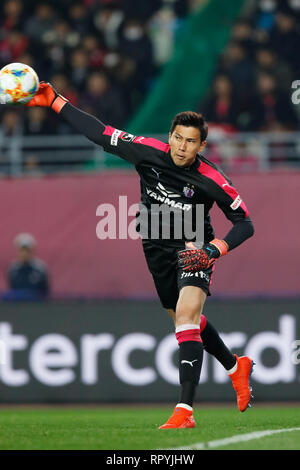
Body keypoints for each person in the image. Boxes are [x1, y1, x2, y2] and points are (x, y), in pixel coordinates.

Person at [24, 82, 255, 429]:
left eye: (191, 141)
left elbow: (244, 223)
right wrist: (55, 102)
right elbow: (100, 134)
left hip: (194, 250)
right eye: (178, 137)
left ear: (202, 146)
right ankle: (236, 367)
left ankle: (184, 411)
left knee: (188, 318)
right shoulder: (146, 151)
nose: (182, 146)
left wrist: (213, 250)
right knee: (182, 321)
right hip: (156, 248)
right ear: (170, 136)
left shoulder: (211, 179)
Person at [5, 233, 50, 300]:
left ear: (32, 251)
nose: (24, 253)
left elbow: (46, 292)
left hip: (37, 306)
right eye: (22, 250)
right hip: (18, 307)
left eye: (27, 250)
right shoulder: (12, 270)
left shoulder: (40, 269)